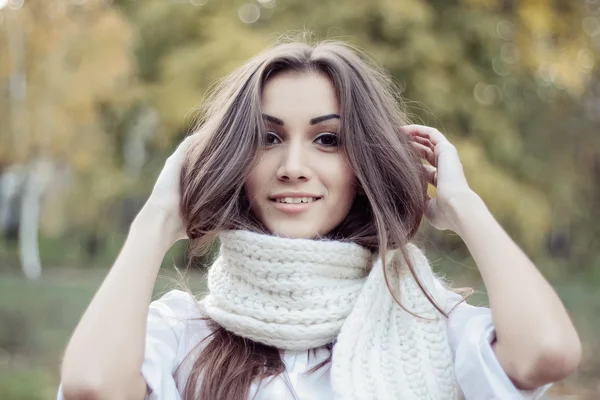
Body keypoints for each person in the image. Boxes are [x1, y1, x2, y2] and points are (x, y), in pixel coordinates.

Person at [57, 40, 581, 400]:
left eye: (328, 140)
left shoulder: (428, 323)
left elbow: (547, 354)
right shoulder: (182, 331)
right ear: (236, 158)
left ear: (363, 164)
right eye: (268, 138)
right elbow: (92, 388)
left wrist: (464, 209)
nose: (292, 168)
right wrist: (157, 218)